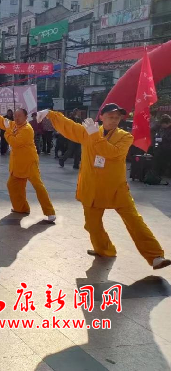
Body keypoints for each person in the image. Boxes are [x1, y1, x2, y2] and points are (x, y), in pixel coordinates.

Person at [37, 104, 171, 270]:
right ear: (102, 117)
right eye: (110, 117)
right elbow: (69, 127)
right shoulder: (89, 132)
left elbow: (111, 153)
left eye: (117, 118)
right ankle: (104, 250)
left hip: (115, 188)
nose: (114, 120)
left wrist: (94, 135)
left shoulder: (125, 137)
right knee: (92, 225)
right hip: (91, 187)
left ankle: (156, 256)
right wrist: (51, 114)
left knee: (134, 221)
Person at [0, 109, 56, 222]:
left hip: (29, 163)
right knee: (12, 185)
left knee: (38, 186)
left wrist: (7, 131)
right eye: (15, 116)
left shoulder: (27, 129)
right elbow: (3, 121)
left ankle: (50, 212)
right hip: (17, 164)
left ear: (26, 117)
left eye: (19, 116)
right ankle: (21, 208)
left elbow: (15, 142)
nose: (16, 118)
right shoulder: (14, 125)